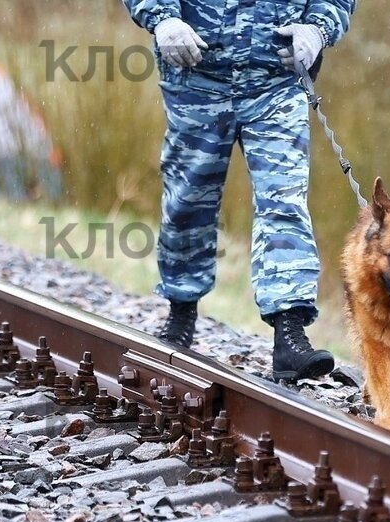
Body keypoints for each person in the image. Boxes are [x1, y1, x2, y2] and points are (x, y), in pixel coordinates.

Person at [121, 0, 355, 382]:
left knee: (285, 200)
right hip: (196, 78)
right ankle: (181, 311)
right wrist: (163, 20)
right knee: (187, 201)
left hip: (275, 85)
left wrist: (317, 29)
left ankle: (289, 335)